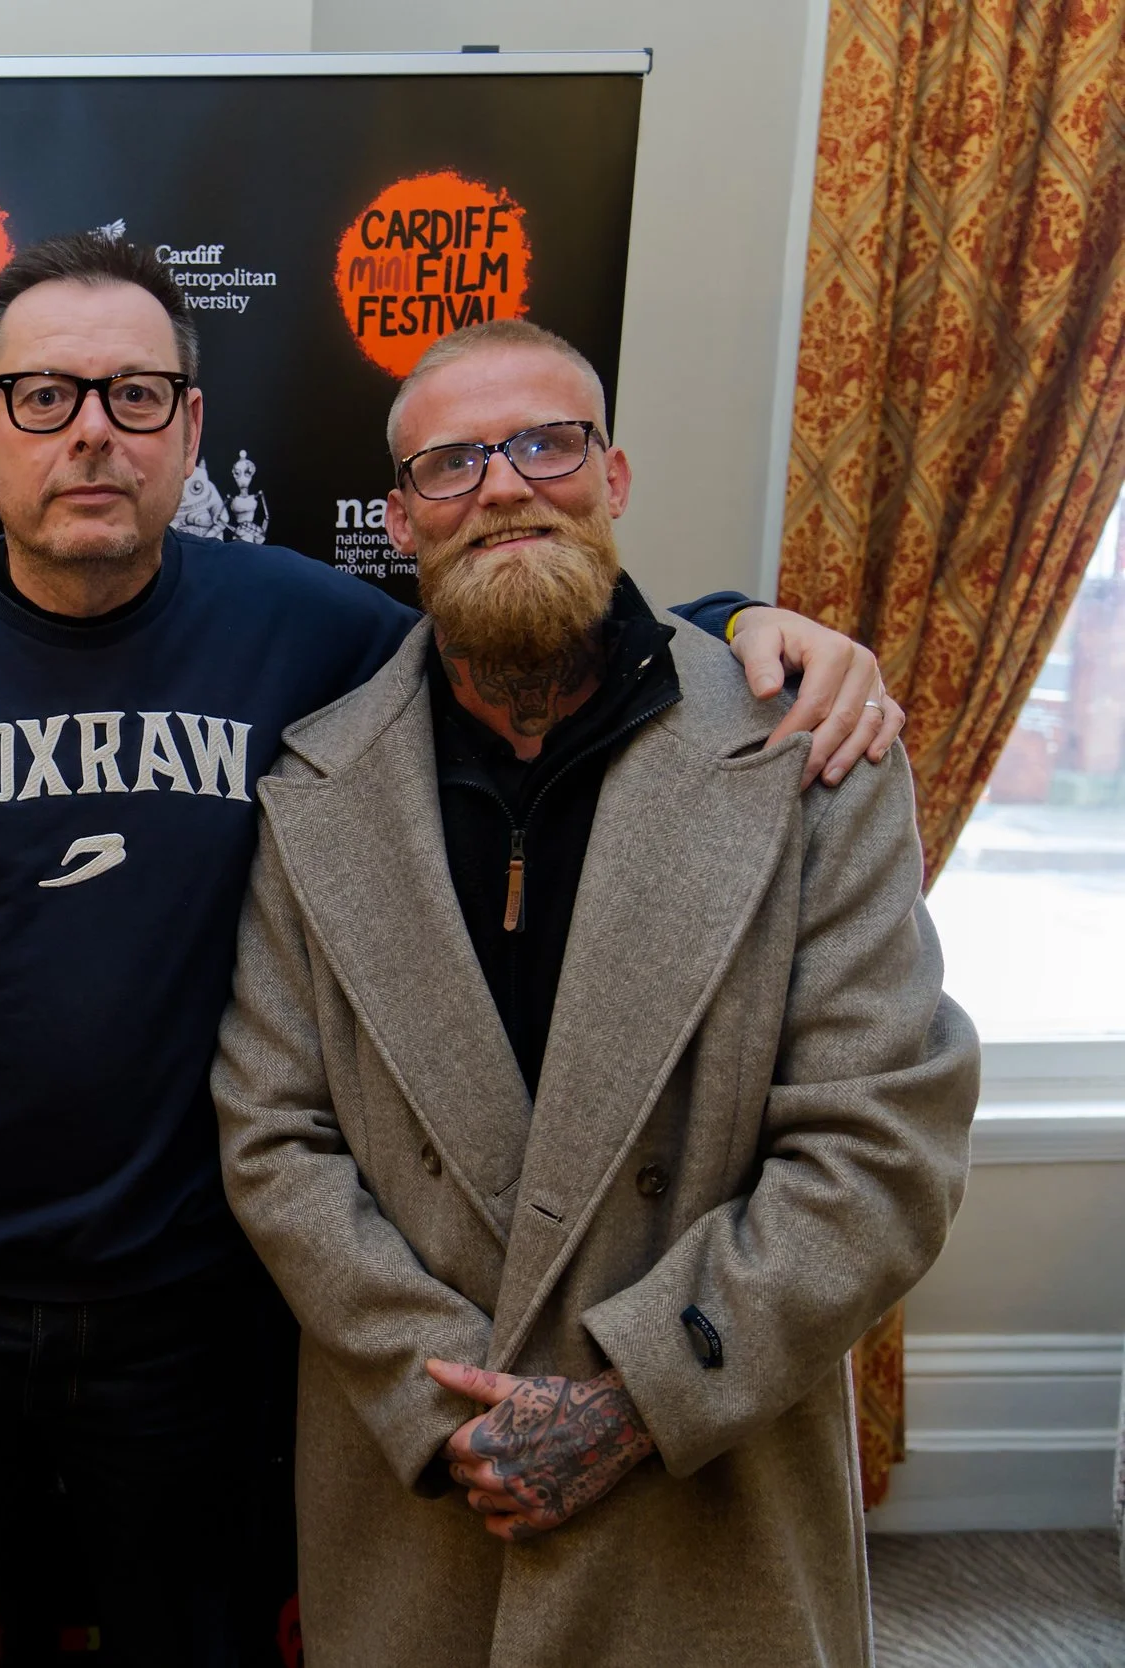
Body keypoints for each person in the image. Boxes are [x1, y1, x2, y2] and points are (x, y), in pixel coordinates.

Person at [0, 232, 908, 1667]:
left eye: (137, 395)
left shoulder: (316, 632)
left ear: (193, 431)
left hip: (197, 1308)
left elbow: (541, 621)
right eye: (42, 397)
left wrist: (747, 630)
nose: (92, 431)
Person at [210, 318, 978, 1666]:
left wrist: (638, 1397)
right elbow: (274, 1140)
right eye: (451, 464)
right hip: (432, 1503)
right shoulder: (311, 792)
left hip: (702, 1489)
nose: (504, 486)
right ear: (400, 520)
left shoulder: (812, 758)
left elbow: (883, 1142)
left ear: (611, 477)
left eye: (545, 442)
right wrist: (458, 1410)